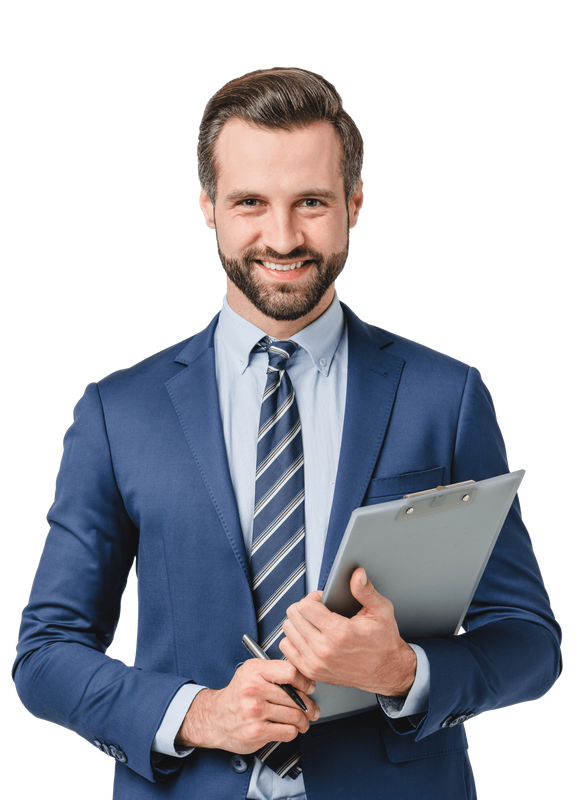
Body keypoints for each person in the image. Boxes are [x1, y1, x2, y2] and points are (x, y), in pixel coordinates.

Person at [13, 67, 561, 799]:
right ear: (207, 205)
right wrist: (198, 714)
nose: (282, 237)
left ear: (355, 203)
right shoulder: (120, 411)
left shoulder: (445, 395)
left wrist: (403, 672)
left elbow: (530, 642)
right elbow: (44, 655)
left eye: (311, 202)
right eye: (250, 203)